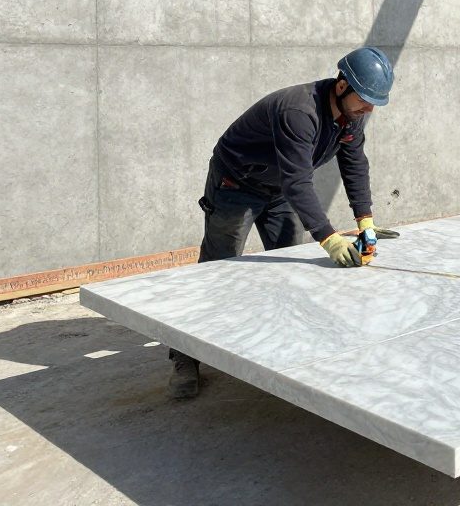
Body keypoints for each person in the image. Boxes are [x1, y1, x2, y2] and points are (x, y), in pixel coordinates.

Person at [167, 46, 394, 399]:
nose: (369, 108)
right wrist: (329, 238)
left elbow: (354, 163)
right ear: (341, 86)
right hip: (236, 184)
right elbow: (299, 182)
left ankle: (280, 348)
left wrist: (365, 219)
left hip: (278, 189)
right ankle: (184, 356)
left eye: (374, 102)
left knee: (291, 269)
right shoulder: (299, 111)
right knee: (216, 270)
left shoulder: (353, 116)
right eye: (364, 99)